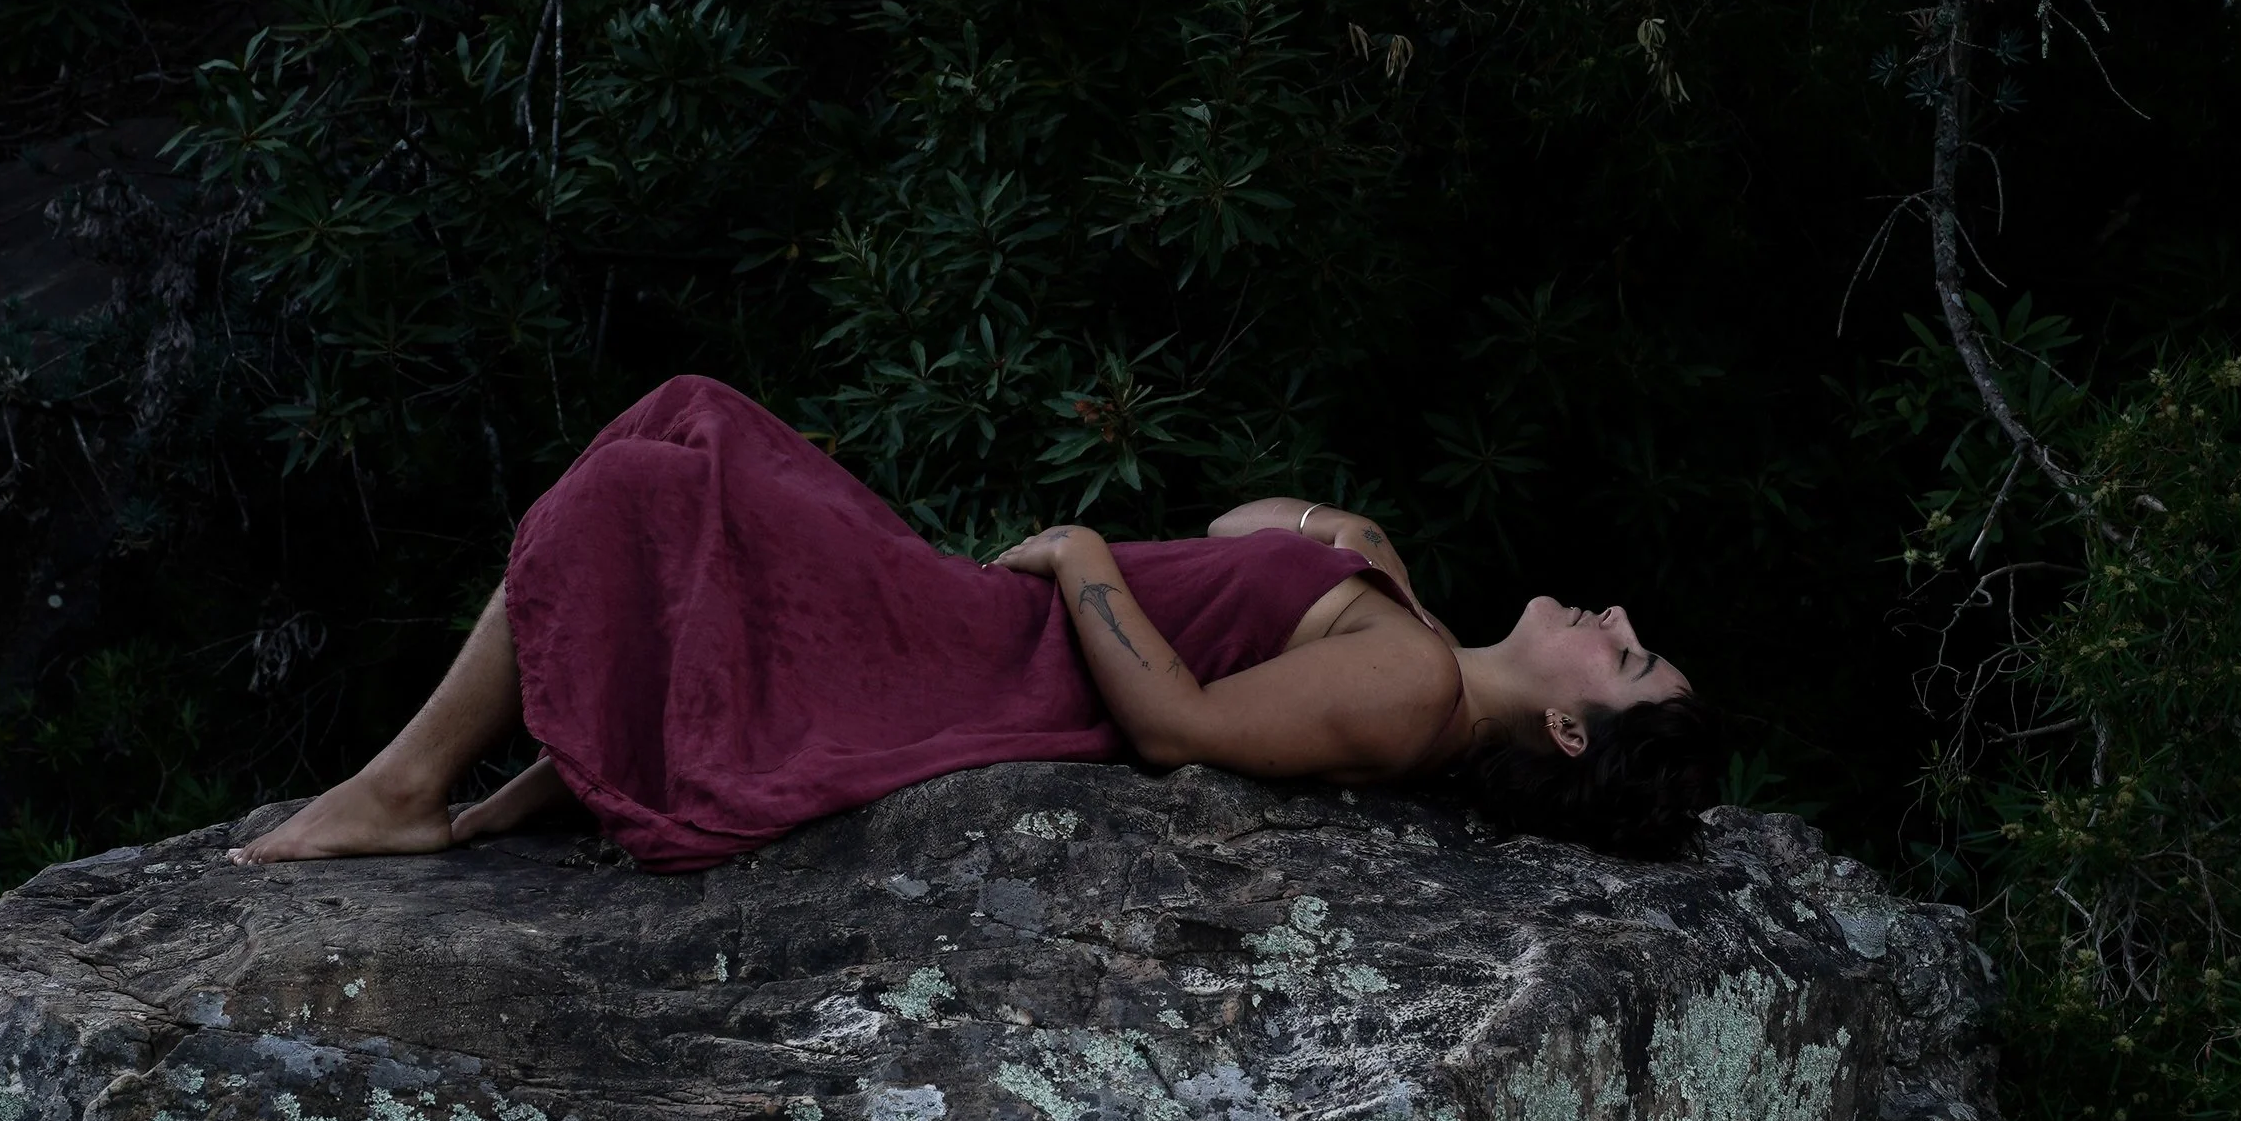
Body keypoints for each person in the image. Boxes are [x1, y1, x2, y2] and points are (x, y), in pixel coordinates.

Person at [229, 374, 1719, 872]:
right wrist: (1353, 538)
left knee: (639, 487)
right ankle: (505, 764)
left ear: (1574, 721)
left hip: (984, 650)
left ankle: (409, 789)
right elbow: (1227, 543)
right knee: (687, 419)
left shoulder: (1408, 691)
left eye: (1628, 656)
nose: (1621, 618)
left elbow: (1175, 724)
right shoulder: (1411, 635)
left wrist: (1078, 556)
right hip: (988, 618)